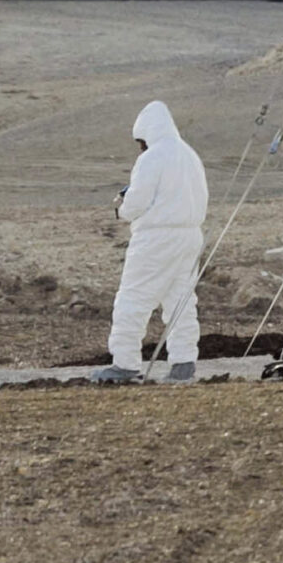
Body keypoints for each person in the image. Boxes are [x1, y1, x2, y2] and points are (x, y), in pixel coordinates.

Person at [95, 100, 209, 384]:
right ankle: (183, 363)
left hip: (157, 237)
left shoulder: (153, 157)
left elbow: (137, 201)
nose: (139, 147)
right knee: (181, 300)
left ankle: (124, 363)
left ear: (146, 134)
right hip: (190, 236)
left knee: (133, 297)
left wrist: (122, 207)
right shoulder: (189, 154)